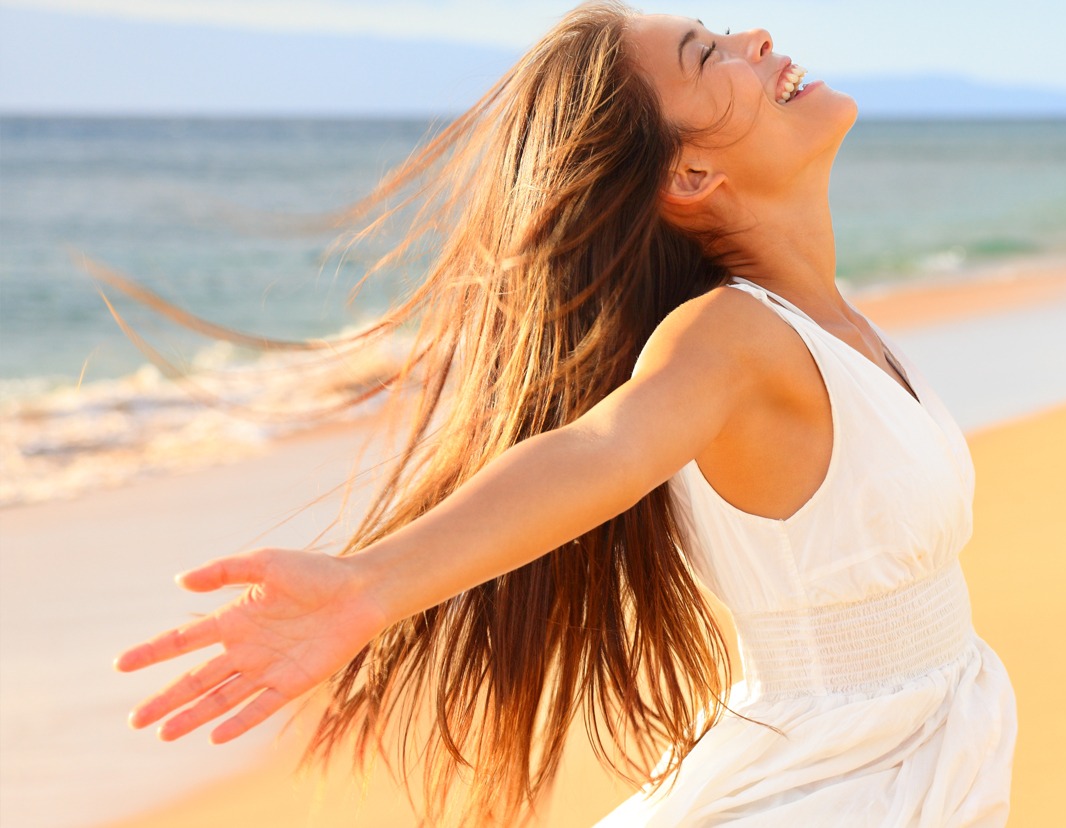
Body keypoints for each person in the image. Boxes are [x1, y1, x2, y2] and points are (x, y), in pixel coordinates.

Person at [114, 3, 1017, 825]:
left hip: (904, 754)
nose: (759, 39)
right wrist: (373, 584)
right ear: (692, 171)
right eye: (711, 55)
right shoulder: (730, 337)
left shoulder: (831, 323)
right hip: (832, 788)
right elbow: (603, 446)